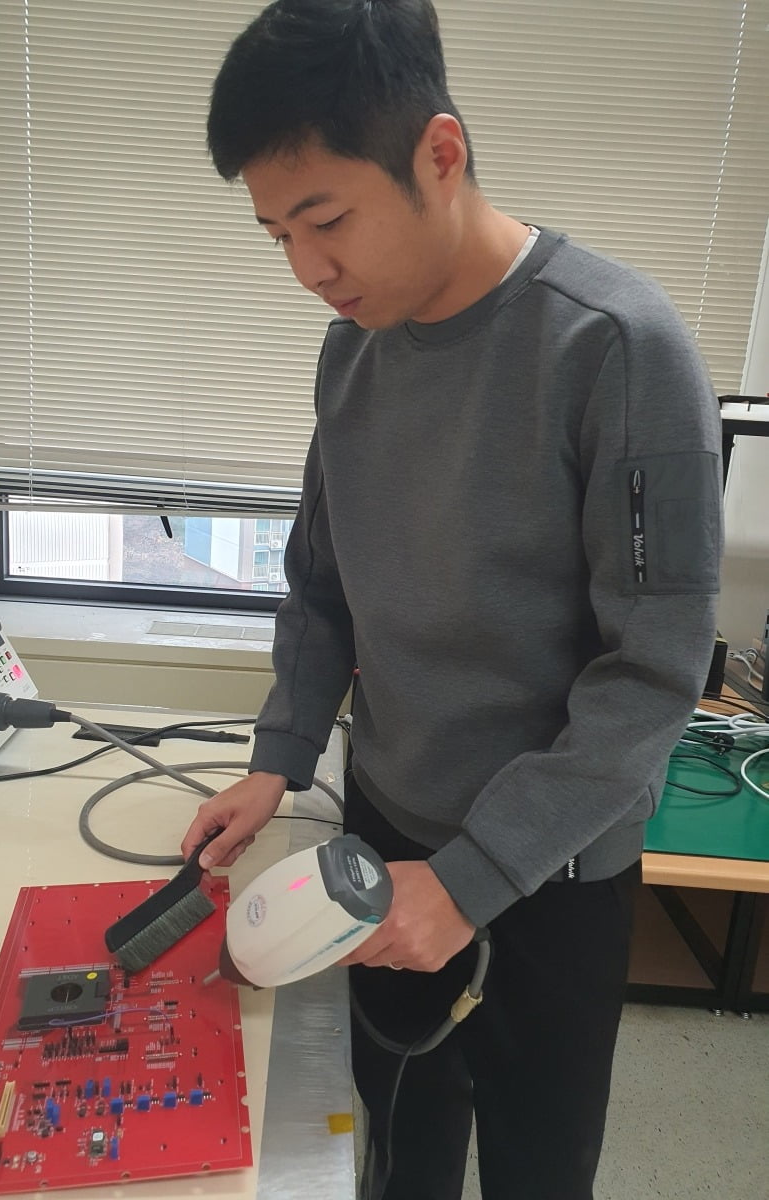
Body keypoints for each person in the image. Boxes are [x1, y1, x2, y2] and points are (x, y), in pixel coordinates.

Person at [180, 2, 723, 1196]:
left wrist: (473, 877)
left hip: (553, 872)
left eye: (328, 220)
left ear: (439, 154)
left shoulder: (619, 349)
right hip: (385, 834)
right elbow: (322, 581)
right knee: (394, 1147)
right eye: (277, 235)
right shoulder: (353, 348)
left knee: (538, 1166)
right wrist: (279, 756)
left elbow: (653, 673)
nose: (310, 271)